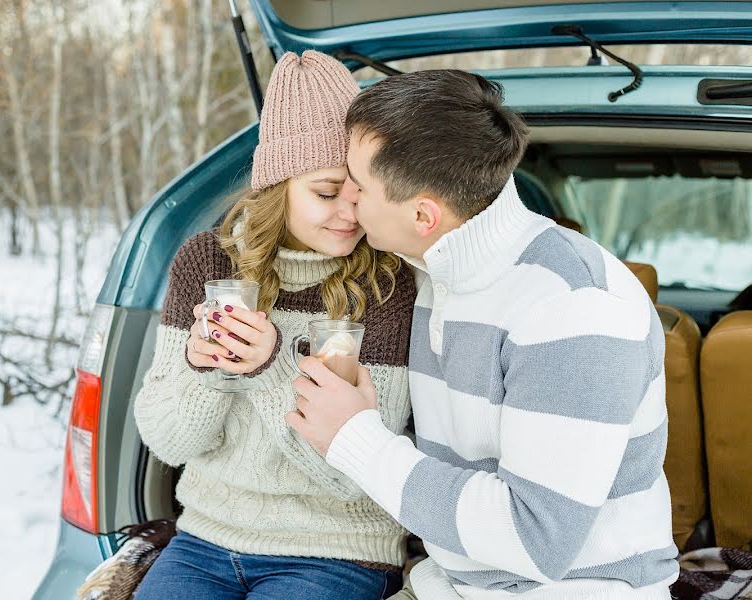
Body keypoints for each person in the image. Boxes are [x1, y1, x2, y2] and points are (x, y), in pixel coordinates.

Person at [287, 69, 679, 599]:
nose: (346, 196)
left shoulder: (573, 306)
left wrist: (356, 439)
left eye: (357, 181)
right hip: (448, 584)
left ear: (424, 214)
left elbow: (534, 536)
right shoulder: (434, 267)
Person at [132, 50, 416, 600]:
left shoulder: (388, 282)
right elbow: (169, 442)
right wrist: (204, 366)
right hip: (205, 540)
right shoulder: (208, 265)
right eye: (327, 192)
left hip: (338, 549)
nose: (349, 214)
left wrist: (270, 365)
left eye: (360, 193)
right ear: (277, 185)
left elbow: (350, 474)